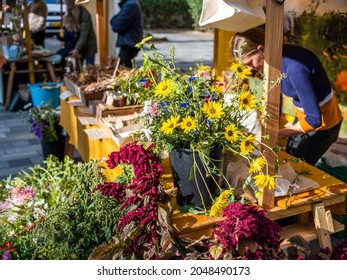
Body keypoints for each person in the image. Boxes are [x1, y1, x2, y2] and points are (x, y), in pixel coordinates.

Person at [231, 28, 343, 166]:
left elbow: (314, 120)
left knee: (299, 166)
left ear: (261, 49)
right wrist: (273, 125)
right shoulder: (272, 59)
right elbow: (274, 91)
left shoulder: (295, 68)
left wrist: (278, 133)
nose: (248, 69)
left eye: (249, 63)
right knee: (289, 156)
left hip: (324, 126)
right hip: (304, 116)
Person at [64, 0, 97, 70]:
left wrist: (77, 49)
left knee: (90, 68)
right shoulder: (70, 13)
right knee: (78, 69)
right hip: (80, 47)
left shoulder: (85, 14)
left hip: (89, 45)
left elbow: (84, 34)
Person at [110, 0, 143, 68]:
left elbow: (116, 26)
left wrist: (113, 21)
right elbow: (113, 20)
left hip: (129, 44)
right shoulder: (130, 3)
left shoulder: (130, 5)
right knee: (126, 70)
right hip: (130, 43)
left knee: (124, 69)